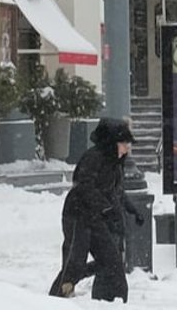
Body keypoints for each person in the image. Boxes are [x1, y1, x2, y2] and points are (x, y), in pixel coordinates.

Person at [49, 117, 140, 302]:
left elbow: (116, 191)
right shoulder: (94, 157)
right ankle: (55, 300)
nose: (127, 148)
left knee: (112, 262)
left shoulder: (115, 163)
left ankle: (110, 301)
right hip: (78, 215)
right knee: (74, 262)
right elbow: (84, 186)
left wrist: (132, 209)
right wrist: (105, 207)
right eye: (124, 143)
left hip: (97, 218)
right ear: (112, 143)